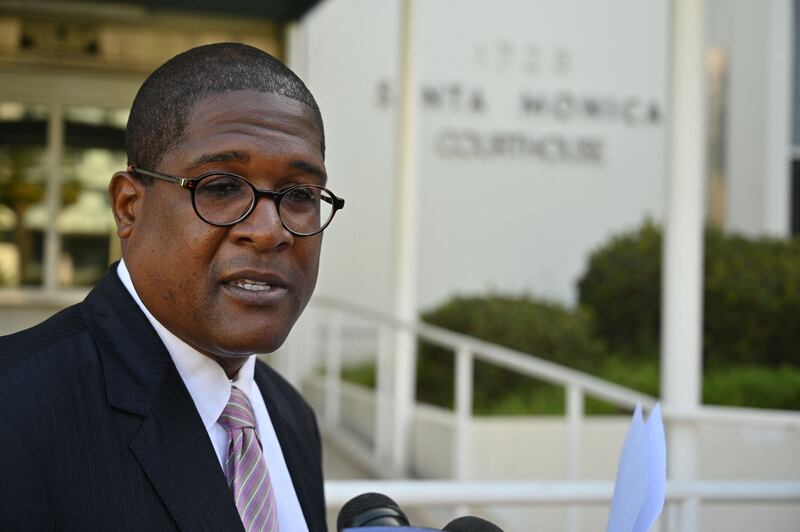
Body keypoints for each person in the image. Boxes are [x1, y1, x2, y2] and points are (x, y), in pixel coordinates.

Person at [0, 43, 344, 532]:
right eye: (222, 187)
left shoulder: (291, 419)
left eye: (300, 195)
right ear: (128, 207)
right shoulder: (14, 409)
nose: (270, 231)